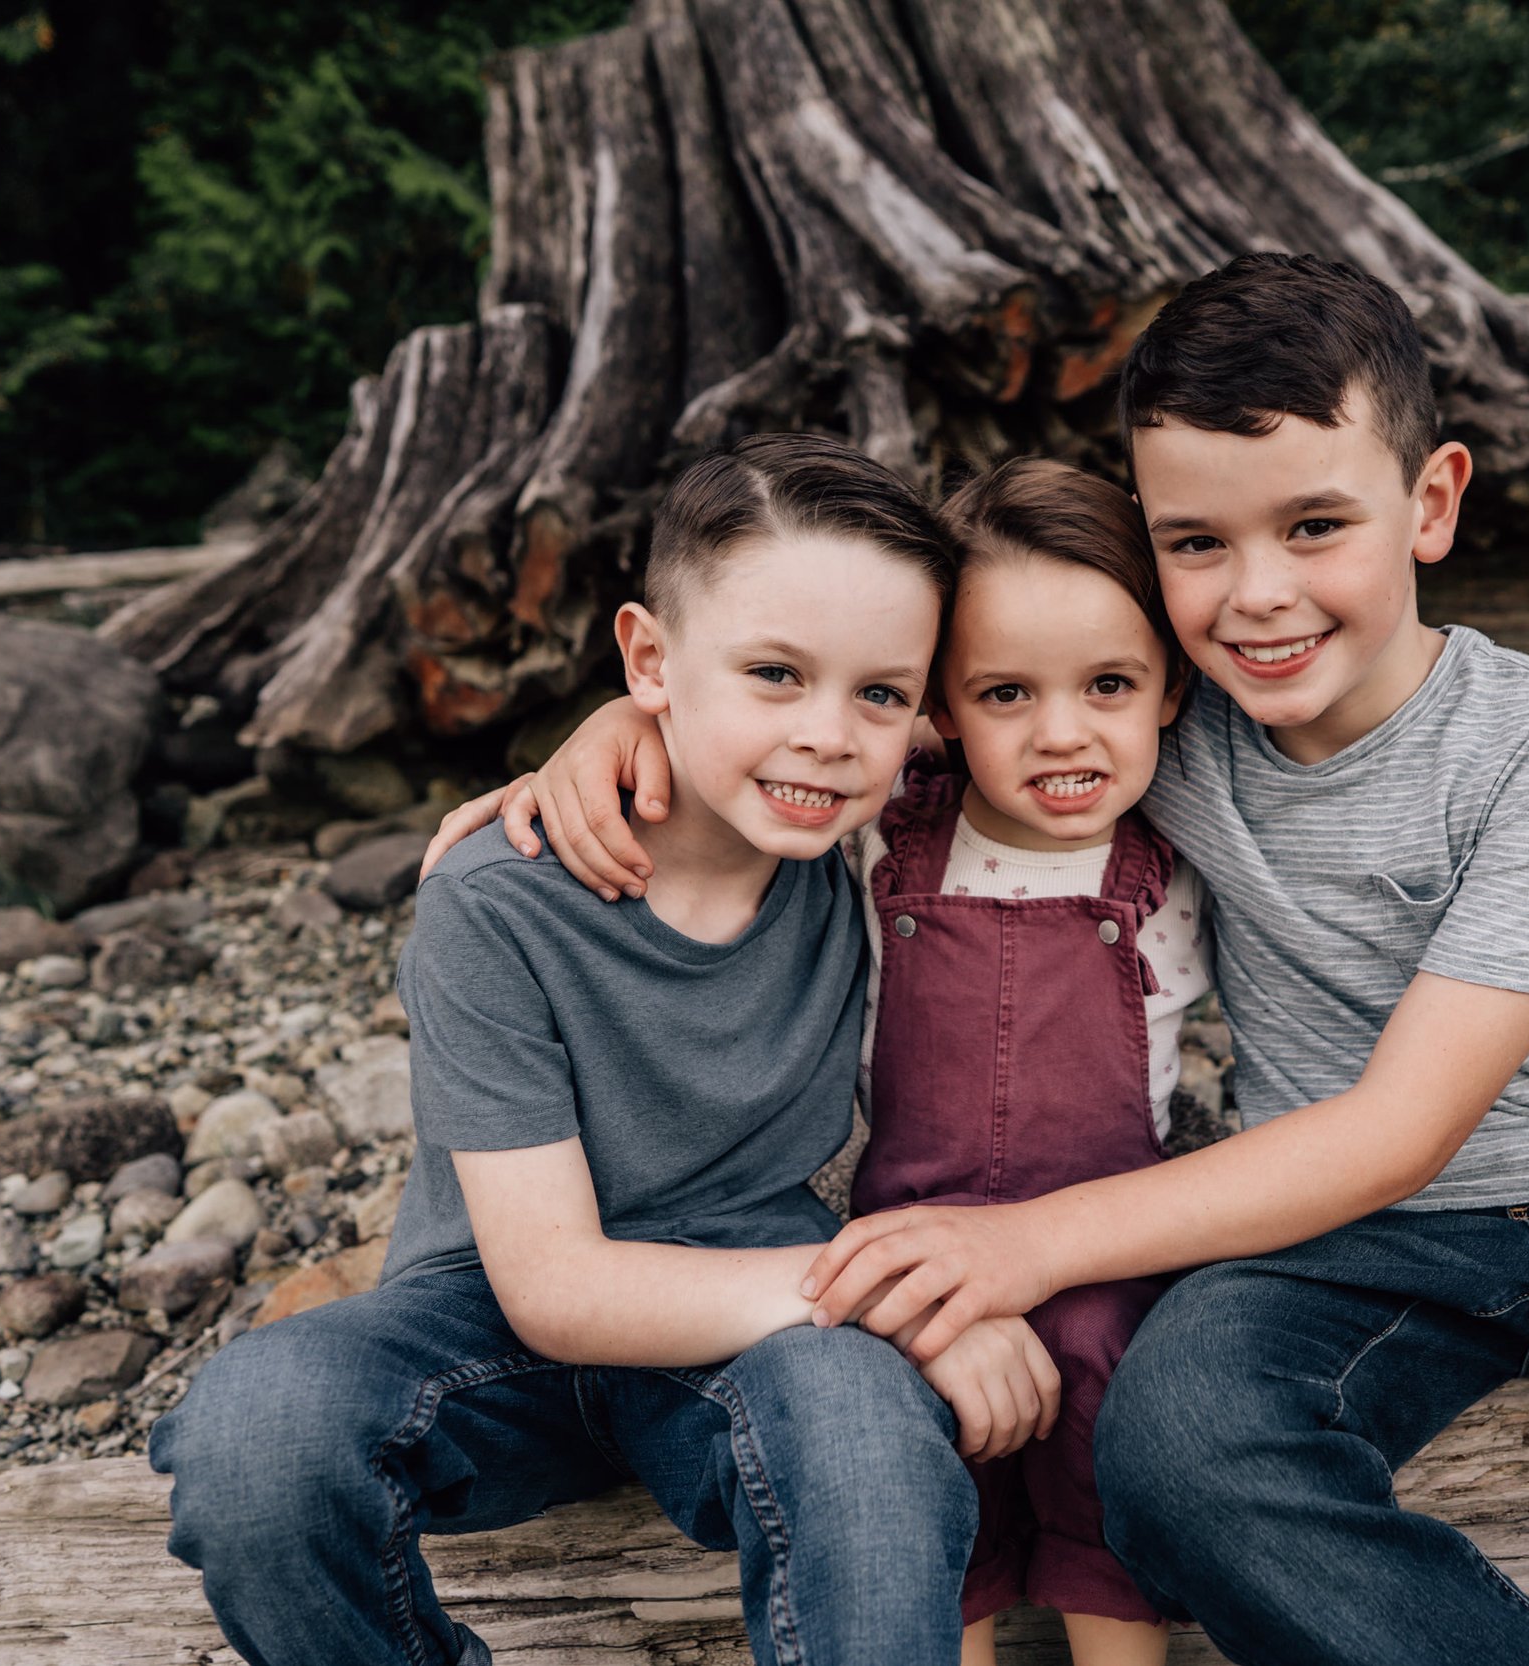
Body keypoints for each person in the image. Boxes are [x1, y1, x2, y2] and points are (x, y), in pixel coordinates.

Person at [444, 254, 1529, 1665]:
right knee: (1183, 1451)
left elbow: (1405, 1129)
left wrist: (1020, 1245)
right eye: (1197, 546)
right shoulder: (1149, 724)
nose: (1258, 596)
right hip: (1333, 1262)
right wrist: (614, 735)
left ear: (1432, 501)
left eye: (1316, 527)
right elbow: (832, 725)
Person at [149, 433, 1067, 1666]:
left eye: (881, 693)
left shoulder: (877, 840)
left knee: (866, 1440)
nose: (830, 735)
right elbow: (556, 1290)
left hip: (755, 1299)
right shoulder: (497, 902)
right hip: (491, 1325)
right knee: (257, 1430)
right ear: (648, 656)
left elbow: (1101, 707)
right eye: (773, 674)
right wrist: (910, 1309)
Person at [850, 459, 1211, 1665]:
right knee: (916, 1478)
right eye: (1005, 692)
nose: (1064, 732)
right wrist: (604, 730)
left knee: (1109, 1443)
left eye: (1109, 682)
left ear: (1170, 686)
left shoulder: (1177, 866)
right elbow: (726, 737)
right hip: (909, 1253)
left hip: (1103, 1246)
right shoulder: (882, 830)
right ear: (937, 709)